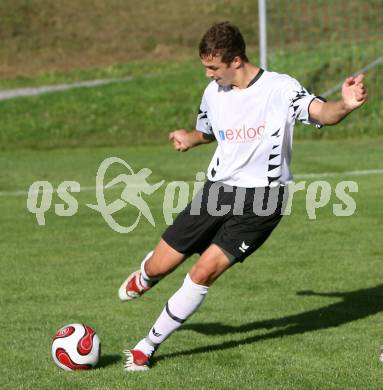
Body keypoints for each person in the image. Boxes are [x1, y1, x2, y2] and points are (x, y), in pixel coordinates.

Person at [118, 21, 367, 371]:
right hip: (217, 192)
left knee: (204, 271)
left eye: (213, 68)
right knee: (161, 264)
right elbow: (207, 131)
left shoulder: (280, 88)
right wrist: (190, 138)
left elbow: (322, 113)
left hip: (263, 203)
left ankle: (147, 346)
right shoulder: (213, 93)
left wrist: (345, 104)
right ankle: (147, 275)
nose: (208, 75)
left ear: (236, 61)